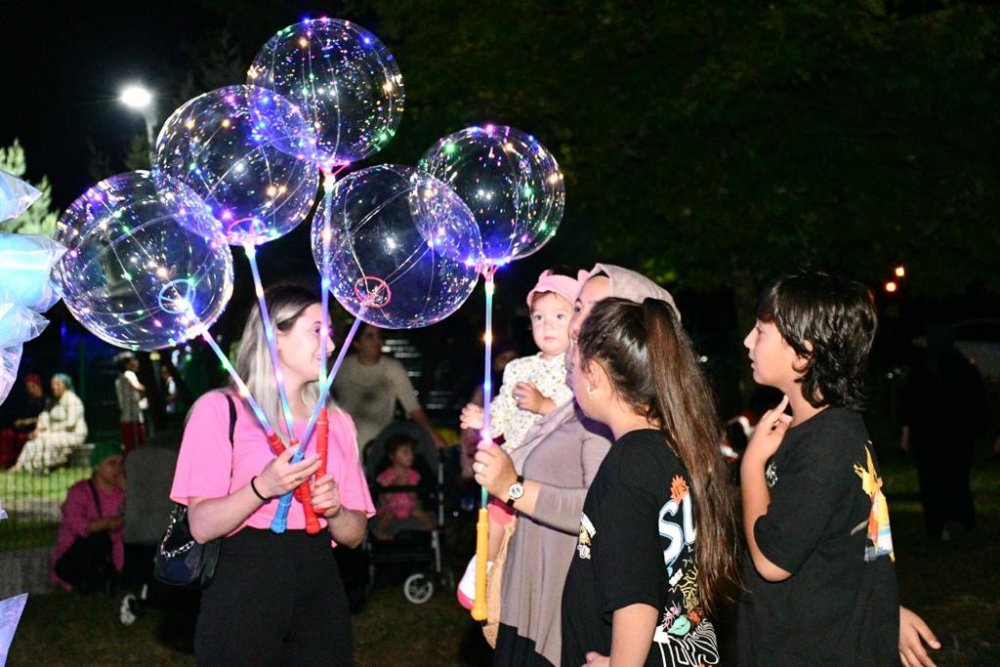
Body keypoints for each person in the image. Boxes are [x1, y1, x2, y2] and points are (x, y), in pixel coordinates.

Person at [472, 263, 676, 666]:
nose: (573, 324)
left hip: (559, 614)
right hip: (528, 599)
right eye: (578, 307)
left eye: (586, 309)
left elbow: (612, 536)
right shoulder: (574, 408)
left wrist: (514, 488)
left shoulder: (621, 441)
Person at [738, 271, 940, 666]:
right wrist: (885, 613)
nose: (747, 340)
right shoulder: (833, 429)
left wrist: (751, 466)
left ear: (803, 354)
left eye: (761, 332)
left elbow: (771, 561)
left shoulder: (826, 447)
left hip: (811, 650)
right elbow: (857, 542)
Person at [170, 282, 375, 665]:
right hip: (244, 583)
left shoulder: (337, 422)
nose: (330, 347)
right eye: (318, 331)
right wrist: (261, 488)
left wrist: (334, 511)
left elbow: (355, 534)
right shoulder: (219, 411)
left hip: (319, 585)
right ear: (274, 334)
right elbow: (200, 525)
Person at [560, 296, 739, 666]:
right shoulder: (671, 448)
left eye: (573, 367)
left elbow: (636, 598)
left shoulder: (627, 468)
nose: (570, 377)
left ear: (594, 375)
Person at [457, 269, 582, 608]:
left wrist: (544, 405)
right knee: (497, 511)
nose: (547, 325)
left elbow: (576, 413)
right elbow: (502, 411)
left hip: (553, 466)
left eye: (559, 316)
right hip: (515, 459)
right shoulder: (518, 368)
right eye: (539, 317)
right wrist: (484, 420)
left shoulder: (579, 367)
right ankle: (485, 564)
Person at [901, 321, 987, 541]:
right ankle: (958, 521)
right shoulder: (962, 366)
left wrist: (907, 431)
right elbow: (976, 403)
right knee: (956, 478)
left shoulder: (924, 367)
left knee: (933, 481)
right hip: (956, 435)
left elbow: (911, 403)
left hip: (930, 435)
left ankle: (938, 525)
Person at [333, 322, 446, 454]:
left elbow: (413, 408)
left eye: (379, 336)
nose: (377, 342)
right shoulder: (340, 367)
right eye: (370, 336)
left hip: (376, 440)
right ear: (356, 343)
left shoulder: (392, 369)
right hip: (342, 435)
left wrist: (435, 437)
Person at [50, 441, 125, 592]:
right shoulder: (80, 492)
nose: (118, 469)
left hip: (111, 557)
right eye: (112, 463)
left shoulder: (122, 493)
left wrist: (130, 492)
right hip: (77, 557)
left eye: (121, 464)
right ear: (97, 466)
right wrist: (107, 524)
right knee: (98, 539)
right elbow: (76, 524)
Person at [11, 373, 87, 471]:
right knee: (31, 443)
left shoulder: (72, 400)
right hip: (57, 433)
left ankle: (41, 466)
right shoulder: (53, 402)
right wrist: (39, 429)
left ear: (65, 385)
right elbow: (44, 415)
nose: (54, 387)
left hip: (73, 434)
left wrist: (49, 430)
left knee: (47, 440)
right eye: (52, 385)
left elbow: (70, 424)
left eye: (57, 384)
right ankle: (20, 467)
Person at [372, 433, 436, 540]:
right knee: (387, 515)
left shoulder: (413, 475)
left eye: (411, 452)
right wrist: (395, 485)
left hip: (409, 505)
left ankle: (431, 526)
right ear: (392, 456)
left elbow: (414, 497)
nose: (411, 456)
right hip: (391, 506)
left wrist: (409, 486)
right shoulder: (386, 475)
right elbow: (386, 498)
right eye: (405, 452)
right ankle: (380, 532)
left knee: (418, 512)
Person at [0, 373, 46, 469]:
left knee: (22, 438)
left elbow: (43, 418)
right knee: (6, 434)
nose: (30, 389)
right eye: (28, 387)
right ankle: (4, 463)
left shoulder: (44, 401)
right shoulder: (26, 401)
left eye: (32, 387)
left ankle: (18, 463)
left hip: (36, 428)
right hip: (22, 428)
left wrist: (28, 421)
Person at [115, 354, 146, 454]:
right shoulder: (129, 374)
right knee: (137, 443)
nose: (137, 363)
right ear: (127, 364)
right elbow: (137, 387)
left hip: (125, 415)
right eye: (134, 360)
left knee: (128, 443)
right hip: (133, 416)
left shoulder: (119, 379)